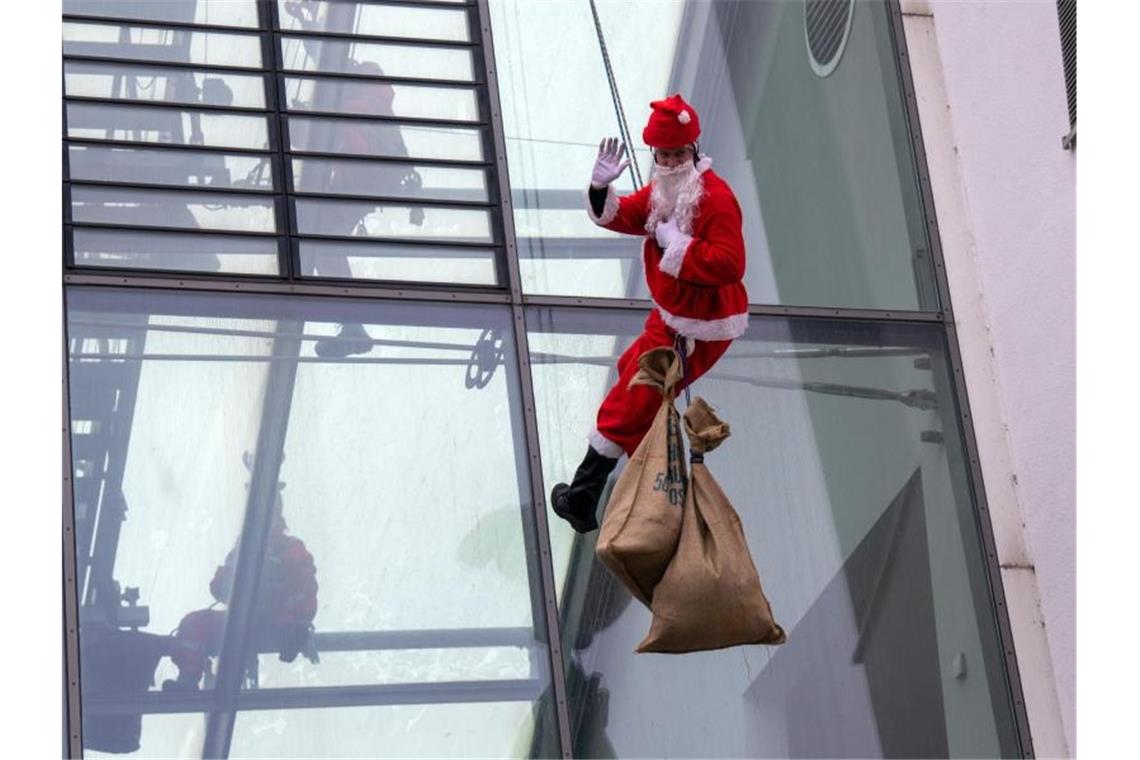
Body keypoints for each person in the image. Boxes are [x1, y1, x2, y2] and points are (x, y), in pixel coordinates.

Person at [550, 94, 749, 533]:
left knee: (630, 398)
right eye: (664, 154)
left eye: (679, 152)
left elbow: (732, 263)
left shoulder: (714, 198)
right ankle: (639, 489)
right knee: (630, 376)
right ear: (655, 155)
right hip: (671, 317)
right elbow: (629, 214)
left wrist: (677, 244)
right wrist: (601, 190)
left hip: (700, 327)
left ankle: (584, 498)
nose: (672, 160)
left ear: (693, 150)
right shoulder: (664, 189)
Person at [284, 0, 423, 358]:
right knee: (321, 242)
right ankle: (349, 323)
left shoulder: (361, 84)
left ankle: (350, 323)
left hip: (369, 173)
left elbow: (343, 110)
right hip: (366, 175)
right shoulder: (354, 90)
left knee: (320, 237)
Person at [163, 492, 319, 690]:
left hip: (276, 626)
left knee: (205, 626)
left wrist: (295, 625)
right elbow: (219, 588)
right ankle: (188, 679)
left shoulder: (291, 548)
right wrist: (234, 575)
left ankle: (209, 681)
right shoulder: (244, 546)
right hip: (242, 622)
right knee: (193, 624)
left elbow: (306, 590)